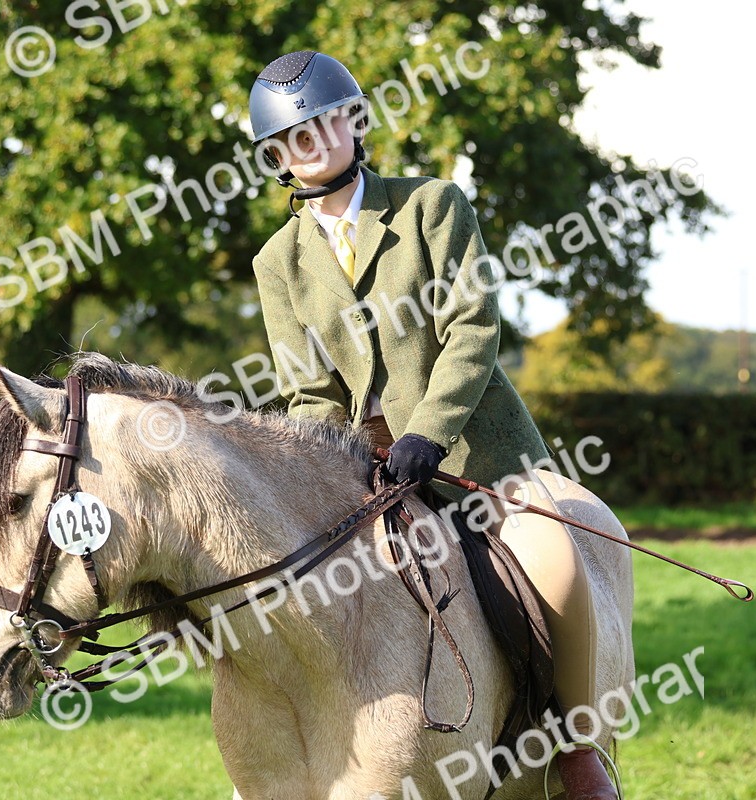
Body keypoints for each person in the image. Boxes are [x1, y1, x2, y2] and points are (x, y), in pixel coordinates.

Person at [248, 51, 618, 800]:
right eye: (297, 136)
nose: (315, 142)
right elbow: (310, 394)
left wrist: (429, 432)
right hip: (367, 478)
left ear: (355, 124)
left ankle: (579, 753)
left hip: (482, 459)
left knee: (557, 558)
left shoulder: (431, 206)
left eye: (327, 123)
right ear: (278, 157)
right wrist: (340, 466)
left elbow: (473, 332)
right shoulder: (276, 262)